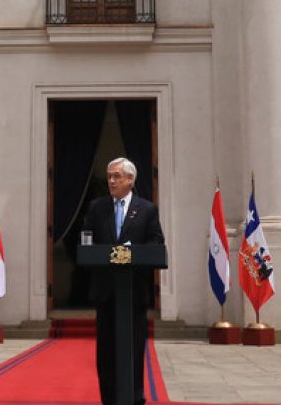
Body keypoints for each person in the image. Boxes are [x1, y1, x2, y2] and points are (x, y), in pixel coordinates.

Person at [82, 157, 165, 405]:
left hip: (133, 291)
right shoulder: (97, 207)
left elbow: (156, 242)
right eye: (109, 176)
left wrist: (133, 252)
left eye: (117, 176)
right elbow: (86, 239)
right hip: (106, 291)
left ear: (130, 179)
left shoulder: (147, 209)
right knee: (106, 352)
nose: (111, 180)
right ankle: (109, 399)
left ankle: (134, 398)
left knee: (134, 348)